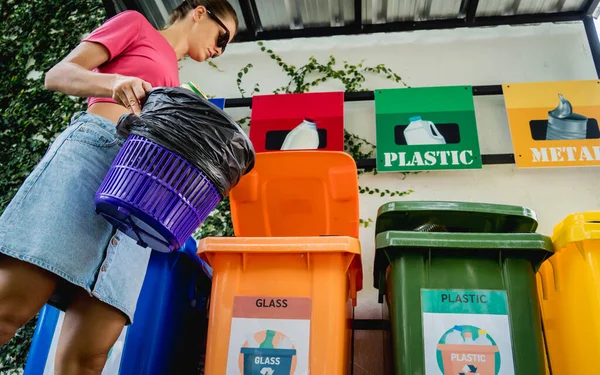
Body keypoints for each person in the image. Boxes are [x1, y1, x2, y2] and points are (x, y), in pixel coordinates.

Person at [0, 1, 237, 373]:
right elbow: (58, 75)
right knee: (9, 306)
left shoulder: (177, 81)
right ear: (200, 12)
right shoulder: (136, 25)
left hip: (140, 193)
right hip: (94, 156)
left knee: (90, 355)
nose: (220, 50)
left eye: (227, 46)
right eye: (222, 36)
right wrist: (114, 82)